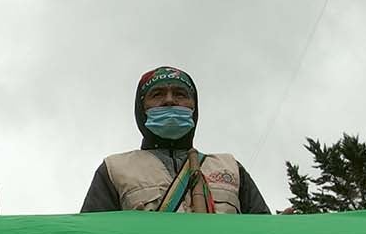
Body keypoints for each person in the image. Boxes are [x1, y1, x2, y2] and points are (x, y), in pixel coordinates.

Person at [80, 66, 269, 214]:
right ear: (141, 108)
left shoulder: (230, 168)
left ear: (194, 107)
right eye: (157, 94)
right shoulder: (115, 169)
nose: (169, 100)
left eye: (180, 94)